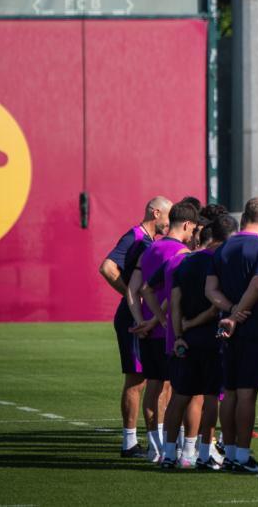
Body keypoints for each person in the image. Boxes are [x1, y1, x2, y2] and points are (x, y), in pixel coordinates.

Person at [205, 197, 258, 473]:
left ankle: (232, 452)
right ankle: (242, 456)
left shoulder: (223, 248)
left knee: (231, 392)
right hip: (253, 327)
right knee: (247, 393)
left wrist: (230, 310)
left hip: (227, 326)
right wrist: (238, 314)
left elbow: (210, 290)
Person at [160, 207, 233, 470]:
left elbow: (175, 303)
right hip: (211, 339)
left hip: (186, 339)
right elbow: (215, 307)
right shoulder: (218, 265)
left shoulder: (184, 262)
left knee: (181, 395)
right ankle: (202, 452)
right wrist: (195, 323)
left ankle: (170, 454)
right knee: (210, 397)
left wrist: (179, 333)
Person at [127, 200, 199, 462]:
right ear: (188, 225)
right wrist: (158, 321)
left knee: (153, 388)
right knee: (175, 390)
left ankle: (154, 447)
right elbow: (173, 294)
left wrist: (141, 321)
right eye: (193, 230)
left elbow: (133, 289)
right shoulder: (181, 253)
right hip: (169, 330)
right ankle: (175, 446)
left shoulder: (148, 249)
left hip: (148, 331)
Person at [99, 195, 169, 457]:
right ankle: (129, 443)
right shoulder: (135, 237)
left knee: (150, 378)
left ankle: (151, 439)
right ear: (154, 213)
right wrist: (130, 294)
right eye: (166, 215)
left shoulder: (149, 242)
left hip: (140, 314)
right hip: (132, 317)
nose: (169, 221)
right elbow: (107, 268)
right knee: (136, 379)